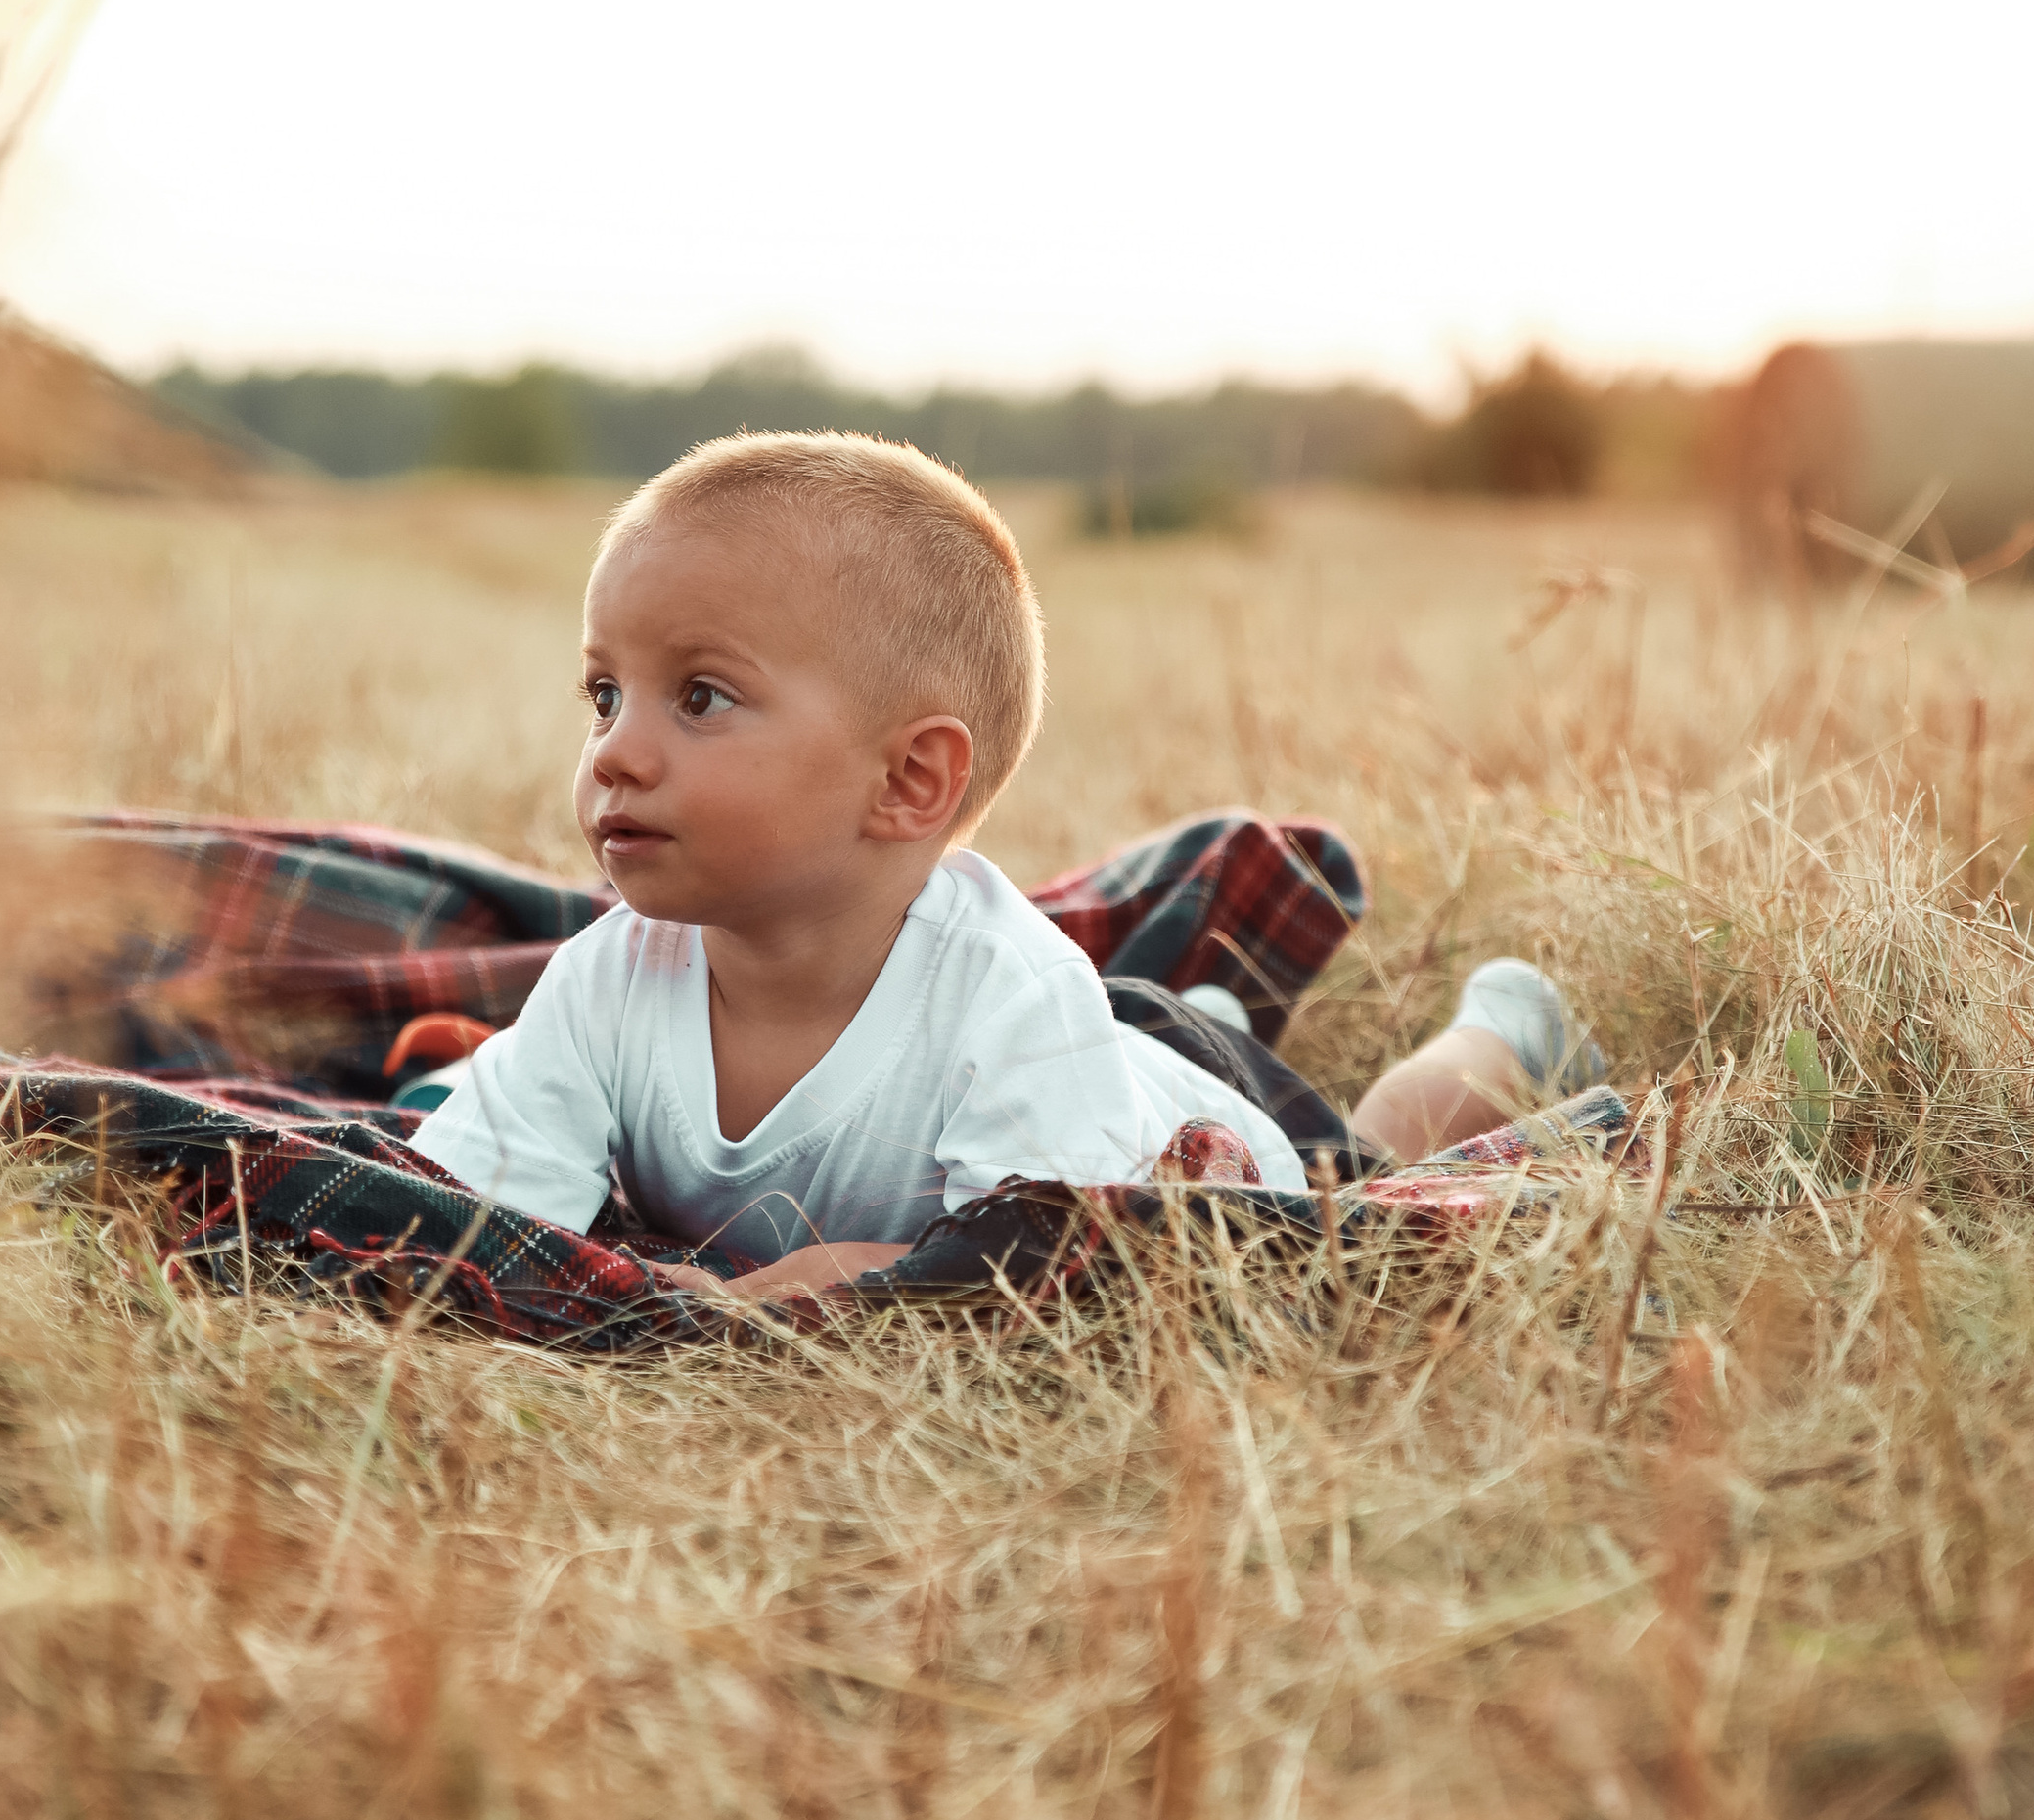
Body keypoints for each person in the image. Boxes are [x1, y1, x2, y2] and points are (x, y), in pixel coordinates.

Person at [413, 434, 1601, 1303]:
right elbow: (478, 1224)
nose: (616, 750)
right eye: (604, 694)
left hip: (1184, 1137)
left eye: (702, 697)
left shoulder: (1002, 994)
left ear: (908, 783)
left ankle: (1501, 1032)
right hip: (1091, 1058)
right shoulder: (602, 984)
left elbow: (1048, 1269)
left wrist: (838, 1277)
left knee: (1369, 1175)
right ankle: (1191, 1016)